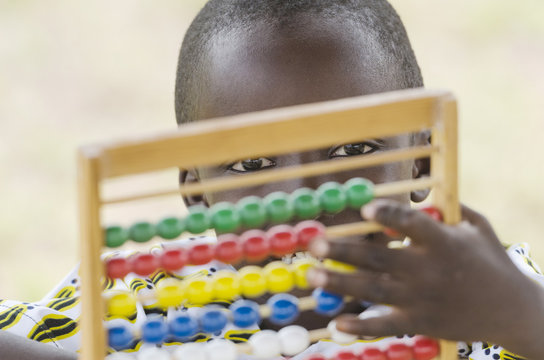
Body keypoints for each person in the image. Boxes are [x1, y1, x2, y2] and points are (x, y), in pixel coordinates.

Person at [1, 1, 541, 359]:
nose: (301, 203)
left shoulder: (487, 296)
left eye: (351, 151)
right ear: (197, 193)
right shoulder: (136, 302)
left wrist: (521, 316)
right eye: (251, 165)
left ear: (421, 164)